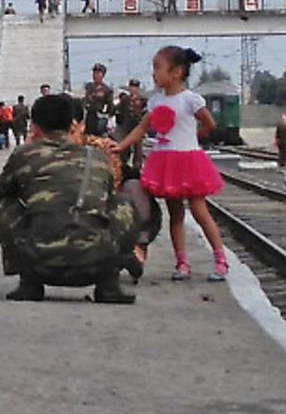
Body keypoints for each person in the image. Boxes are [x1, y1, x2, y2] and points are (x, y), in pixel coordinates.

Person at [0, 94, 139, 305]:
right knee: (124, 203)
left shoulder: (24, 154)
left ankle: (28, 282)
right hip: (96, 263)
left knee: (3, 206)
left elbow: (0, 194)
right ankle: (109, 284)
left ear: (34, 127)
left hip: (39, 263)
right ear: (73, 125)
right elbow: (107, 198)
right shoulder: (97, 157)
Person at [106, 46, 230, 282]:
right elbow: (141, 129)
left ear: (177, 72)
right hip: (166, 163)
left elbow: (209, 123)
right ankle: (182, 262)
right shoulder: (155, 102)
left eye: (157, 68)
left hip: (188, 161)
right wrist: (121, 147)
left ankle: (220, 259)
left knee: (199, 211)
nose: (153, 73)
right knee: (176, 215)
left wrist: (194, 140)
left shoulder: (191, 100)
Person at [113, 78, 148, 169]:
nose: (133, 89)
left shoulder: (142, 99)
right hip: (127, 126)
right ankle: (124, 164)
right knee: (125, 147)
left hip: (137, 126)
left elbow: (146, 111)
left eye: (135, 87)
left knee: (138, 148)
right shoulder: (125, 99)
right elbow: (117, 109)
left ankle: (137, 166)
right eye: (132, 87)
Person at [81, 62, 114, 137]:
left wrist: (108, 118)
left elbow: (110, 106)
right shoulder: (89, 87)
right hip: (89, 117)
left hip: (100, 118)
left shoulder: (106, 90)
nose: (95, 75)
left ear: (103, 75)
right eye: (94, 73)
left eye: (98, 73)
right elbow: (85, 101)